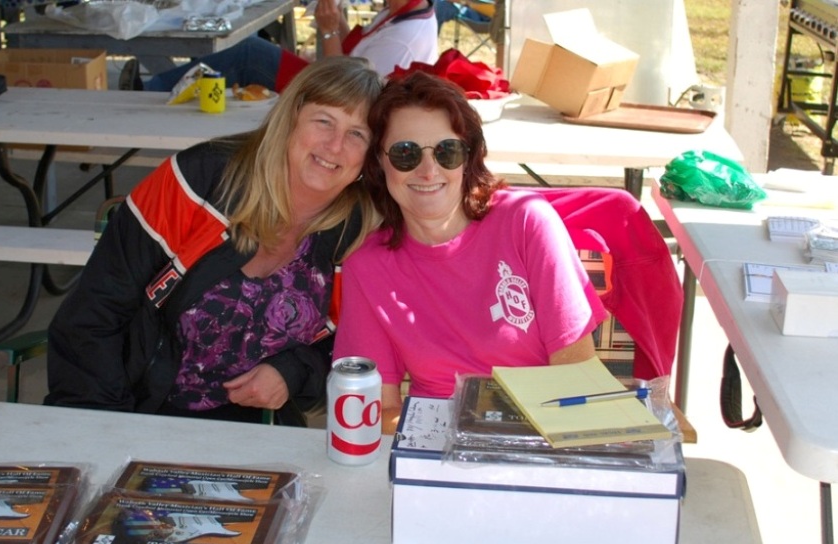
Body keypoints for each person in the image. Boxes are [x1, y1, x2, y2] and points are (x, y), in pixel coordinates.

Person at [45, 56, 383, 425]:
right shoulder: (199, 181)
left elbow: (356, 351)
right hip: (134, 408)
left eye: (357, 134)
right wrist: (106, 427)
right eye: (324, 121)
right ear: (290, 119)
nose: (335, 145)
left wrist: (292, 371)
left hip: (256, 427)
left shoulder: (360, 234)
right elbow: (94, 312)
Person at [332, 71, 609, 432]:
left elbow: (577, 380)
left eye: (447, 151)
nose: (428, 170)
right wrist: (456, 437)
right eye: (405, 154)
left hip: (542, 436)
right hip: (436, 446)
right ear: (379, 164)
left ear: (468, 157)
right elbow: (377, 411)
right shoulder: (367, 266)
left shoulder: (526, 222)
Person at [122, 0, 438, 93]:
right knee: (244, 53)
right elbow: (354, 52)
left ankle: (152, 92)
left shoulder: (403, 36)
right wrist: (336, 16)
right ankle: (167, 88)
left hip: (334, 93)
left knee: (247, 54)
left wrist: (328, 30)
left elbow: (346, 86)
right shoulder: (400, 11)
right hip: (333, 80)